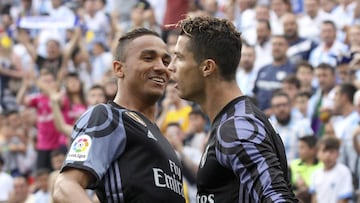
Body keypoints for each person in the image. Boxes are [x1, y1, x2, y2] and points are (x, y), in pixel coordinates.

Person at [168, 16, 298, 202]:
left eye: (179, 58)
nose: (171, 67)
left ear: (207, 67)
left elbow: (278, 198)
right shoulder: (234, 121)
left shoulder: (237, 126)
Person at [52, 28, 185, 203]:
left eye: (165, 60)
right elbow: (65, 187)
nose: (161, 67)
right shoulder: (108, 117)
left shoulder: (159, 136)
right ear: (119, 68)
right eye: (148, 58)